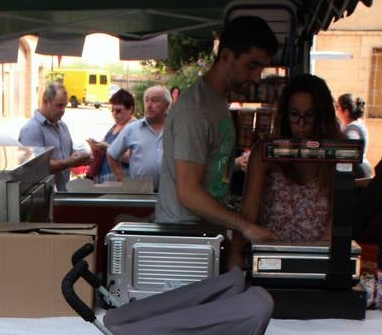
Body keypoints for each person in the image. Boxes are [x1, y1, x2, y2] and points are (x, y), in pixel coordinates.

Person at [156, 15, 278, 241]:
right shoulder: (195, 110)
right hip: (184, 240)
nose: (257, 77)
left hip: (204, 236)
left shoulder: (217, 102)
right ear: (226, 56)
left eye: (261, 68)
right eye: (251, 66)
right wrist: (245, 226)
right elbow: (189, 192)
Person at [239, 73, 340, 243]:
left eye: (309, 115)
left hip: (319, 259)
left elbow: (337, 220)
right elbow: (248, 214)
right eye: (294, 115)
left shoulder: (335, 153)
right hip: (269, 258)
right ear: (285, 115)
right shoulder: (266, 152)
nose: (301, 124)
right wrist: (236, 254)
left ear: (321, 116)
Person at [18, 83, 91, 191]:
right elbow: (35, 167)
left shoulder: (62, 126)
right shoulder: (32, 129)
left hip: (62, 194)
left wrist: (82, 158)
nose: (63, 110)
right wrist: (69, 162)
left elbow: (68, 154)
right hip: (43, 199)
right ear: (45, 101)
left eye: (65, 106)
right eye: (59, 105)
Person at [107, 84, 169, 187]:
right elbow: (111, 154)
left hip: (171, 194)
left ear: (167, 105)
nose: (149, 105)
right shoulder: (132, 129)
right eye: (146, 100)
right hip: (140, 195)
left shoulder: (177, 129)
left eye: (154, 100)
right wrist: (123, 181)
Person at [86, 88, 135, 182]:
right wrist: (95, 146)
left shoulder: (134, 128)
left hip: (119, 180)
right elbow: (103, 147)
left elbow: (130, 158)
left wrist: (107, 147)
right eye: (112, 110)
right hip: (104, 178)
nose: (114, 114)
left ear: (130, 109)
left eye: (118, 110)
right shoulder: (115, 126)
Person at [336, 92, 372, 178]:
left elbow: (351, 154)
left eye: (337, 107)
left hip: (357, 170)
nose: (336, 110)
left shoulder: (353, 129)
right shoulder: (352, 123)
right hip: (358, 167)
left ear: (346, 111)